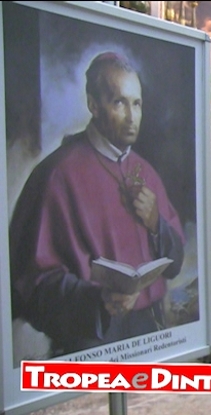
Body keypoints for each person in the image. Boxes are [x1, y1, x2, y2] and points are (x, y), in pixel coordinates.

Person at [10, 52, 185, 358]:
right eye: (119, 102)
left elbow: (176, 261)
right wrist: (97, 300)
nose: (132, 117)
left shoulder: (147, 172)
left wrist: (157, 222)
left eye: (137, 103)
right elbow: (28, 283)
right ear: (93, 105)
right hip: (90, 340)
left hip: (150, 331)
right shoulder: (57, 173)